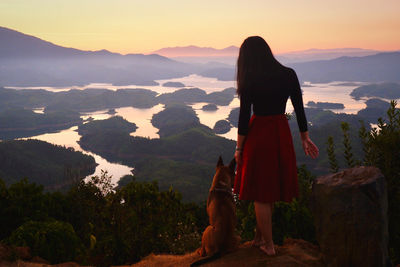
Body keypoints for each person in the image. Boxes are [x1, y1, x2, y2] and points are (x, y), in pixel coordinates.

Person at [233, 36, 319, 256]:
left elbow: (244, 116)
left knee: (261, 192)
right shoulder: (288, 74)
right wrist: (304, 137)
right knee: (269, 188)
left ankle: (268, 245)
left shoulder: (250, 78)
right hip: (280, 131)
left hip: (259, 132)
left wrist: (239, 149)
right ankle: (260, 237)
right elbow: (299, 108)